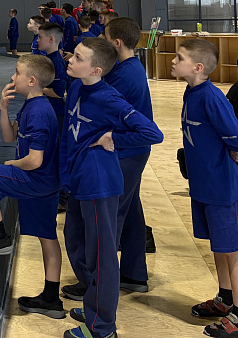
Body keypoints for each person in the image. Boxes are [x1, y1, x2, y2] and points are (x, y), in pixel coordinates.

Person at [60, 38, 163, 338]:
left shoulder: (109, 98)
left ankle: (102, 326)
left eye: (78, 57)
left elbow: (152, 133)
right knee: (75, 242)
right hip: (79, 179)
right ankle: (95, 300)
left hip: (100, 183)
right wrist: (66, 176)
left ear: (96, 69)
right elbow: (70, 134)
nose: (70, 59)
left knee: (100, 255)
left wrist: (114, 140)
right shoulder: (77, 86)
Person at [0, 56, 66, 320]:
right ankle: (51, 299)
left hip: (36, 179)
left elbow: (34, 160)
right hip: (46, 182)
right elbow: (9, 136)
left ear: (31, 81)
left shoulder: (40, 112)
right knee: (48, 237)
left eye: (16, 73)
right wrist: (3, 109)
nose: (12, 78)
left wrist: (13, 163)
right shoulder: (31, 106)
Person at [173, 38, 238, 338]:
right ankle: (226, 299)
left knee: (233, 251)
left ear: (197, 67)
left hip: (221, 188)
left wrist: (236, 149)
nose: (172, 60)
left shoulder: (211, 97)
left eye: (179, 57)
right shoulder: (190, 91)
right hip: (203, 185)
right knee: (219, 248)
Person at [103, 17, 154, 292]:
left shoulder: (125, 74)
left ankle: (101, 283)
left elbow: (103, 109)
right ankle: (134, 274)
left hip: (126, 151)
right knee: (132, 213)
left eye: (105, 37)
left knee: (110, 217)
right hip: (131, 150)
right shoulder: (128, 67)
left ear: (116, 43)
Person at [37, 23, 68, 123]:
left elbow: (59, 92)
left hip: (56, 112)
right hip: (49, 108)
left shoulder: (56, 63)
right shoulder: (49, 58)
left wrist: (38, 88)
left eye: (40, 37)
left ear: (51, 39)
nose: (37, 40)